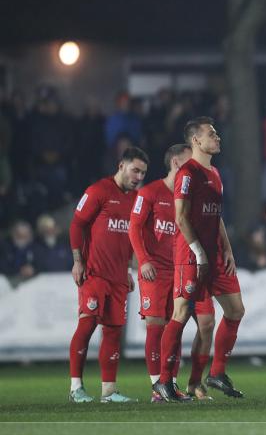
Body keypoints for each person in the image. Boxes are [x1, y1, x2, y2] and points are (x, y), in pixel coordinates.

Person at [154, 117, 245, 401]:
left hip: (215, 254)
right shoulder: (187, 173)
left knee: (235, 310)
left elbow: (216, 216)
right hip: (191, 255)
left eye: (216, 133)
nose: (217, 137)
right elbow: (181, 217)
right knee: (180, 314)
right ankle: (164, 381)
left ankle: (216, 373)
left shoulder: (215, 173)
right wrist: (198, 252)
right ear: (196, 140)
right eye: (211, 134)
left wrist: (227, 249)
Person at [129, 143, 216, 402]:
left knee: (174, 328)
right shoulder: (149, 192)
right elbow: (134, 228)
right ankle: (157, 387)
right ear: (176, 163)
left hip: (181, 269)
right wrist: (144, 260)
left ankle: (172, 384)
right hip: (155, 270)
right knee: (156, 328)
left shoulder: (189, 196)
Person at [68, 146, 148, 403]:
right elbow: (77, 224)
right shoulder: (98, 191)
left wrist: (128, 270)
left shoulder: (136, 199)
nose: (138, 177)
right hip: (94, 273)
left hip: (118, 278)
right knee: (87, 324)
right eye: (135, 170)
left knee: (113, 332)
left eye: (143, 173)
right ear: (121, 166)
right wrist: (77, 261)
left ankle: (109, 391)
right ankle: (76, 388)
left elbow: (129, 239)